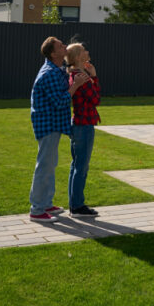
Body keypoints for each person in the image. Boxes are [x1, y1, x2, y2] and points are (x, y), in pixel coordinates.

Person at [28, 36, 90, 222]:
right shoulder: (49, 74)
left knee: (50, 165)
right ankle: (37, 210)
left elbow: (66, 75)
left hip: (52, 125)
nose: (65, 47)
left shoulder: (56, 70)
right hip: (48, 126)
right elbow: (60, 101)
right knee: (44, 167)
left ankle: (46, 203)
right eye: (61, 46)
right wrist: (76, 85)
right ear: (54, 54)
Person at [66, 42, 101, 217]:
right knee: (81, 167)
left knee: (76, 165)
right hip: (84, 125)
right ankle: (78, 207)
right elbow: (96, 99)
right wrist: (94, 76)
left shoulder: (74, 75)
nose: (87, 52)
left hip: (77, 123)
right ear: (79, 56)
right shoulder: (82, 77)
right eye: (84, 50)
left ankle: (74, 205)